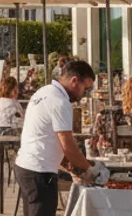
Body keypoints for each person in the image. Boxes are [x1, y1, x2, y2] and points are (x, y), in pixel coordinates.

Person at [14, 60, 104, 216]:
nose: (85, 94)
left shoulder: (44, 91)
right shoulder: (60, 102)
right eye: (86, 88)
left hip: (27, 166)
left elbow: (48, 138)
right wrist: (89, 170)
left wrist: (72, 168)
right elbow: (67, 145)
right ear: (74, 81)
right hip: (39, 171)